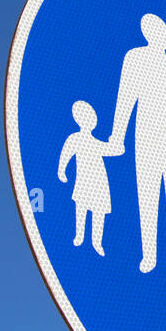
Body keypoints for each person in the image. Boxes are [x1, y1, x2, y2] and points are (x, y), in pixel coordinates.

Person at [107, 13, 166, 286]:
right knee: (147, 198)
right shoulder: (135, 58)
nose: (159, 34)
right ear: (146, 32)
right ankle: (149, 256)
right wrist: (117, 137)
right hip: (146, 139)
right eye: (154, 29)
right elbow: (125, 97)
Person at [57, 101, 114, 254]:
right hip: (84, 180)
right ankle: (79, 236)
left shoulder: (95, 142)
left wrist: (117, 147)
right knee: (81, 207)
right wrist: (61, 171)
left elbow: (108, 149)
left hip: (100, 181)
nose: (91, 120)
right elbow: (66, 154)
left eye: (92, 117)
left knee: (99, 212)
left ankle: (97, 243)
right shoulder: (75, 138)